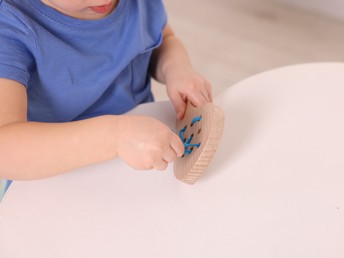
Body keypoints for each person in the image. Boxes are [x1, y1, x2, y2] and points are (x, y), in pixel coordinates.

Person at [0, 0, 212, 190]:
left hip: (144, 156)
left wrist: (176, 68)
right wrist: (114, 136)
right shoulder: (9, 26)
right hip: (52, 181)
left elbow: (163, 38)